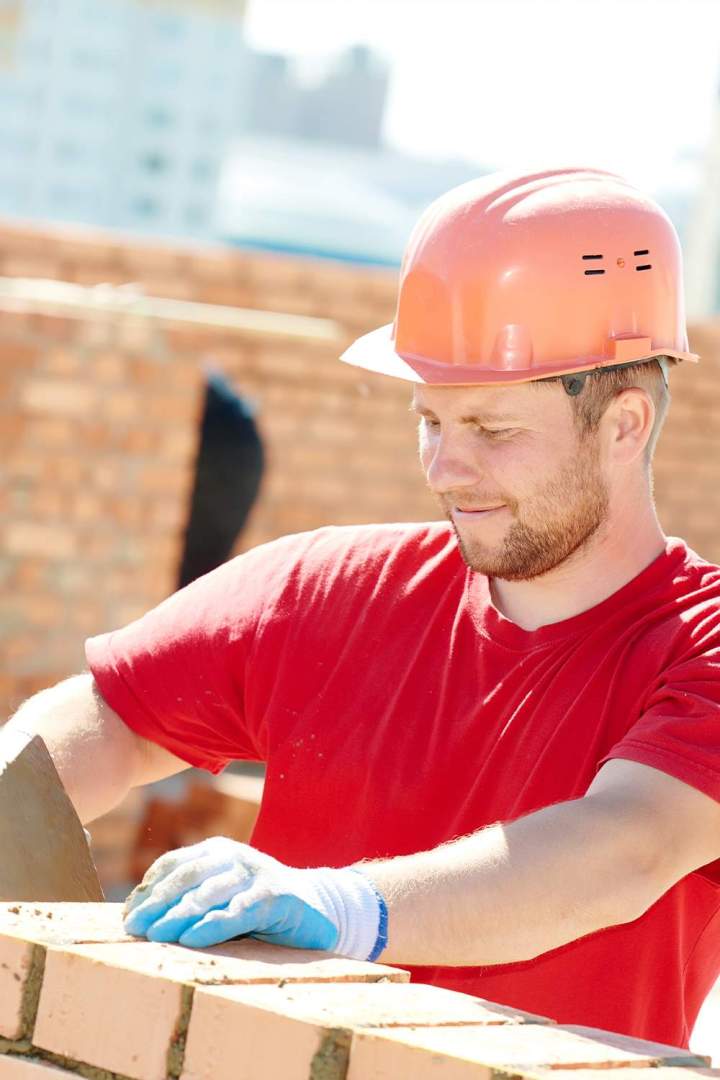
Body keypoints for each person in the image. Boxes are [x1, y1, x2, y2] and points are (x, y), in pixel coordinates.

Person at [6, 165, 720, 1049]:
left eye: (492, 432)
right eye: (430, 421)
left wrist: (340, 906)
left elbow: (628, 846)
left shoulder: (701, 647)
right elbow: (104, 717)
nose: (445, 469)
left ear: (624, 424)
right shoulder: (328, 588)